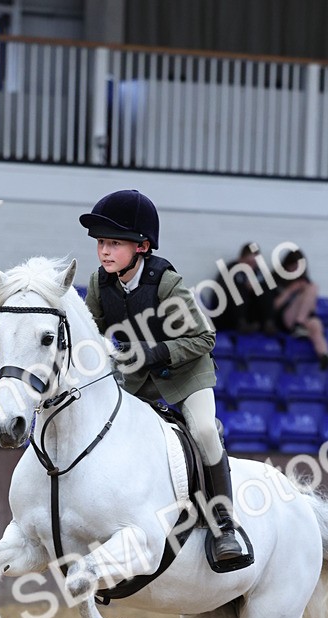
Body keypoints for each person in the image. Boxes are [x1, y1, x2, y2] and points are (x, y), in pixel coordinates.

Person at [79, 188, 246, 563]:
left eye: (114, 244)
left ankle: (224, 525)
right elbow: (90, 335)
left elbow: (205, 336)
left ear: (141, 246)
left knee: (203, 430)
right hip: (138, 378)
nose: (104, 251)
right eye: (101, 243)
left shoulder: (166, 282)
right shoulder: (98, 283)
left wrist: (155, 352)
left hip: (185, 373)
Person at [271, 247, 328, 368]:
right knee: (313, 287)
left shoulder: (305, 282)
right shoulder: (275, 280)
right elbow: (274, 306)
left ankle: (324, 355)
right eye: (293, 267)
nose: (295, 271)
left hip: (303, 318)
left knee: (316, 324)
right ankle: (298, 325)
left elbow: (311, 307)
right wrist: (290, 290)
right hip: (285, 318)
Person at [209, 242, 274, 333]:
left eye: (254, 263)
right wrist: (245, 286)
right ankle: (241, 323)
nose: (251, 266)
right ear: (240, 259)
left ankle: (268, 323)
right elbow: (220, 295)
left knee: (263, 289)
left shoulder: (259, 273)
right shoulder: (230, 269)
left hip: (249, 313)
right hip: (227, 313)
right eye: (248, 262)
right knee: (238, 289)